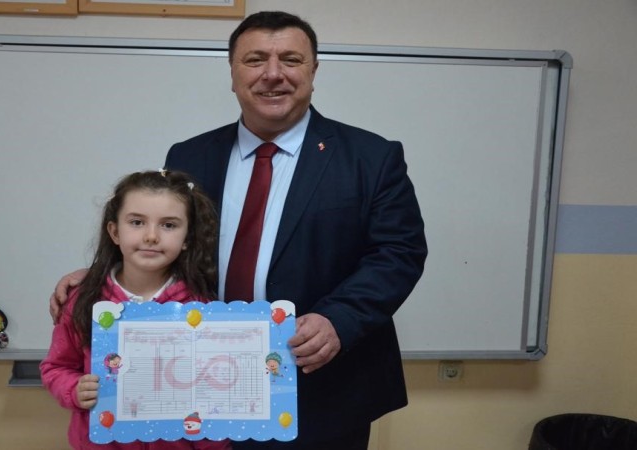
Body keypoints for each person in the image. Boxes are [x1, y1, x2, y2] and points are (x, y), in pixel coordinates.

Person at [51, 11, 427, 450]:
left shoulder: (371, 157)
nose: (273, 74)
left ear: (314, 70)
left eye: (291, 59)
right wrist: (107, 272)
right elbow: (166, 237)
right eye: (255, 60)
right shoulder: (189, 156)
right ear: (232, 72)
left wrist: (338, 319)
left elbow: (398, 253)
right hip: (202, 388)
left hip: (322, 386)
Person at [40, 170, 231, 450]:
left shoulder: (201, 309)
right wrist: (74, 389)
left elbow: (213, 393)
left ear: (187, 238)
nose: (151, 236)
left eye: (169, 225)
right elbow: (56, 367)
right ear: (115, 232)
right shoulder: (84, 301)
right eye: (137, 222)